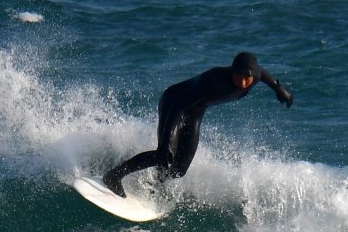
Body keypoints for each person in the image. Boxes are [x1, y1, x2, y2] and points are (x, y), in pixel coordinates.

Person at [103, 52, 294, 197]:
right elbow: (177, 108)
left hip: (195, 112)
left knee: (179, 169)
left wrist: (279, 88)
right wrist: (164, 145)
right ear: (232, 71)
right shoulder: (214, 82)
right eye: (239, 76)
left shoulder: (255, 75)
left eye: (248, 77)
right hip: (174, 103)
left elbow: (265, 75)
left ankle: (154, 185)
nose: (243, 82)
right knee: (165, 154)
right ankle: (114, 175)